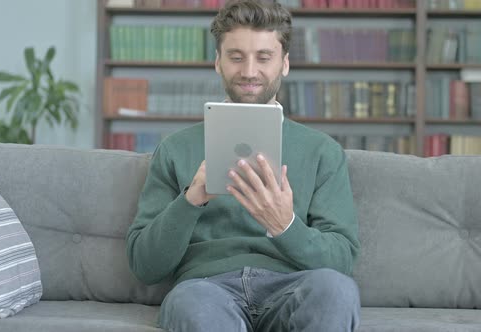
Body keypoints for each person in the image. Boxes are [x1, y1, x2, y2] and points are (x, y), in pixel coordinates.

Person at [126, 0, 361, 330]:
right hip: (206, 290)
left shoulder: (322, 152)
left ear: (285, 64)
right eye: (236, 57)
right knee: (187, 301)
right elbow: (145, 265)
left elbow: (342, 261)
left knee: (336, 290)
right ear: (218, 63)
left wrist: (284, 226)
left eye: (264, 57)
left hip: (293, 286)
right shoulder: (175, 149)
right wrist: (191, 200)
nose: (249, 71)